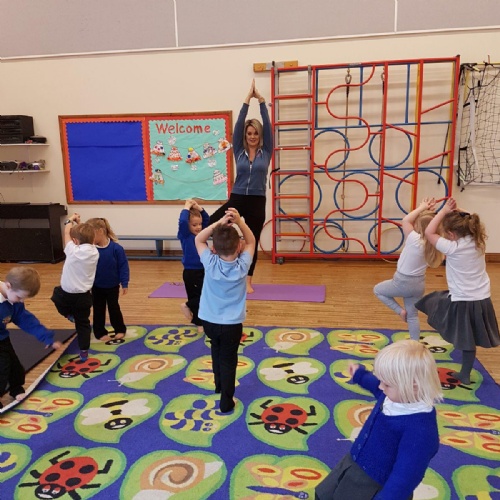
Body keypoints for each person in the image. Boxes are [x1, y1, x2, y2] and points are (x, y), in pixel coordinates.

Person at [315, 340, 442, 500]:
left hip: (374, 485)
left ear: (413, 385)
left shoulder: (421, 431)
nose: (381, 387)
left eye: (387, 384)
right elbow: (376, 386)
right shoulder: (396, 395)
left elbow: (404, 479)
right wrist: (360, 375)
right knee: (325, 494)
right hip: (355, 463)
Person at [416, 198, 500, 385]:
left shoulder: (452, 248)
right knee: (437, 301)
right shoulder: (478, 241)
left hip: (464, 300)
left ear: (452, 234)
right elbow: (473, 220)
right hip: (481, 299)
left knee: (465, 337)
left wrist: (444, 211)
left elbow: (429, 232)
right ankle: (464, 371)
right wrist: (455, 211)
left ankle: (464, 373)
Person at [209, 79, 273, 293]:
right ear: (245, 135)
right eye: (249, 133)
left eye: (256, 133)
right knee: (213, 221)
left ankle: (247, 280)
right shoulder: (238, 150)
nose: (252, 136)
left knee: (252, 240)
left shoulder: (267, 151)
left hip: (257, 200)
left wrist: (261, 101)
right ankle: (219, 258)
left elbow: (268, 125)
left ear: (260, 135)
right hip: (238, 197)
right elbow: (238, 126)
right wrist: (247, 100)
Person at [195, 207, 255, 413]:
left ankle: (219, 385)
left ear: (213, 248)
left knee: (215, 348)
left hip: (209, 322)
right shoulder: (243, 265)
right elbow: (252, 242)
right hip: (232, 325)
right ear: (239, 247)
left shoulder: (210, 262)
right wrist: (239, 222)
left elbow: (199, 239)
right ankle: (226, 401)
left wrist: (219, 222)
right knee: (229, 359)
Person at [373, 198, 443, 341]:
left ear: (419, 226)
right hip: (418, 284)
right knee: (413, 316)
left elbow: (406, 220)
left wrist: (421, 207)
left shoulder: (414, 239)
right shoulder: (434, 244)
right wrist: (428, 213)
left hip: (402, 282)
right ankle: (415, 343)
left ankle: (400, 311)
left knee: (378, 290)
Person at [0, 267, 62, 409]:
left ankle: (16, 388)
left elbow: (26, 320)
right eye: (19, 297)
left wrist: (46, 337)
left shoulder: (14, 301)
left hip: (2, 337)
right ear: (8, 286)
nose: (21, 301)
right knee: (2, 367)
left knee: (14, 365)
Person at [51, 213, 98, 361]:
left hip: (66, 294)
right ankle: (84, 351)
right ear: (92, 240)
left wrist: (70, 220)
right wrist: (79, 223)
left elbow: (67, 232)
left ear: (75, 241)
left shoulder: (72, 250)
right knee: (83, 324)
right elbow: (86, 237)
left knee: (55, 296)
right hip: (84, 297)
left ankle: (68, 315)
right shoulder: (94, 252)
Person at [86, 217, 130, 342]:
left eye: (91, 234)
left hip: (112, 286)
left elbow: (123, 266)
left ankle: (120, 329)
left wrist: (125, 283)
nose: (89, 238)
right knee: (98, 309)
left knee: (114, 308)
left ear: (100, 231)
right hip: (96, 286)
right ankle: (99, 332)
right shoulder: (90, 250)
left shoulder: (116, 249)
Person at [177, 199, 210, 333]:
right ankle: (196, 319)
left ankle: (198, 316)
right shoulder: (185, 235)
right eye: (194, 224)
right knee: (196, 296)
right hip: (191, 272)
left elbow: (207, 220)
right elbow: (182, 222)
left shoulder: (201, 235)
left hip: (203, 270)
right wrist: (186, 207)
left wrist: (199, 208)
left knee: (205, 294)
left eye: (199, 224)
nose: (198, 227)